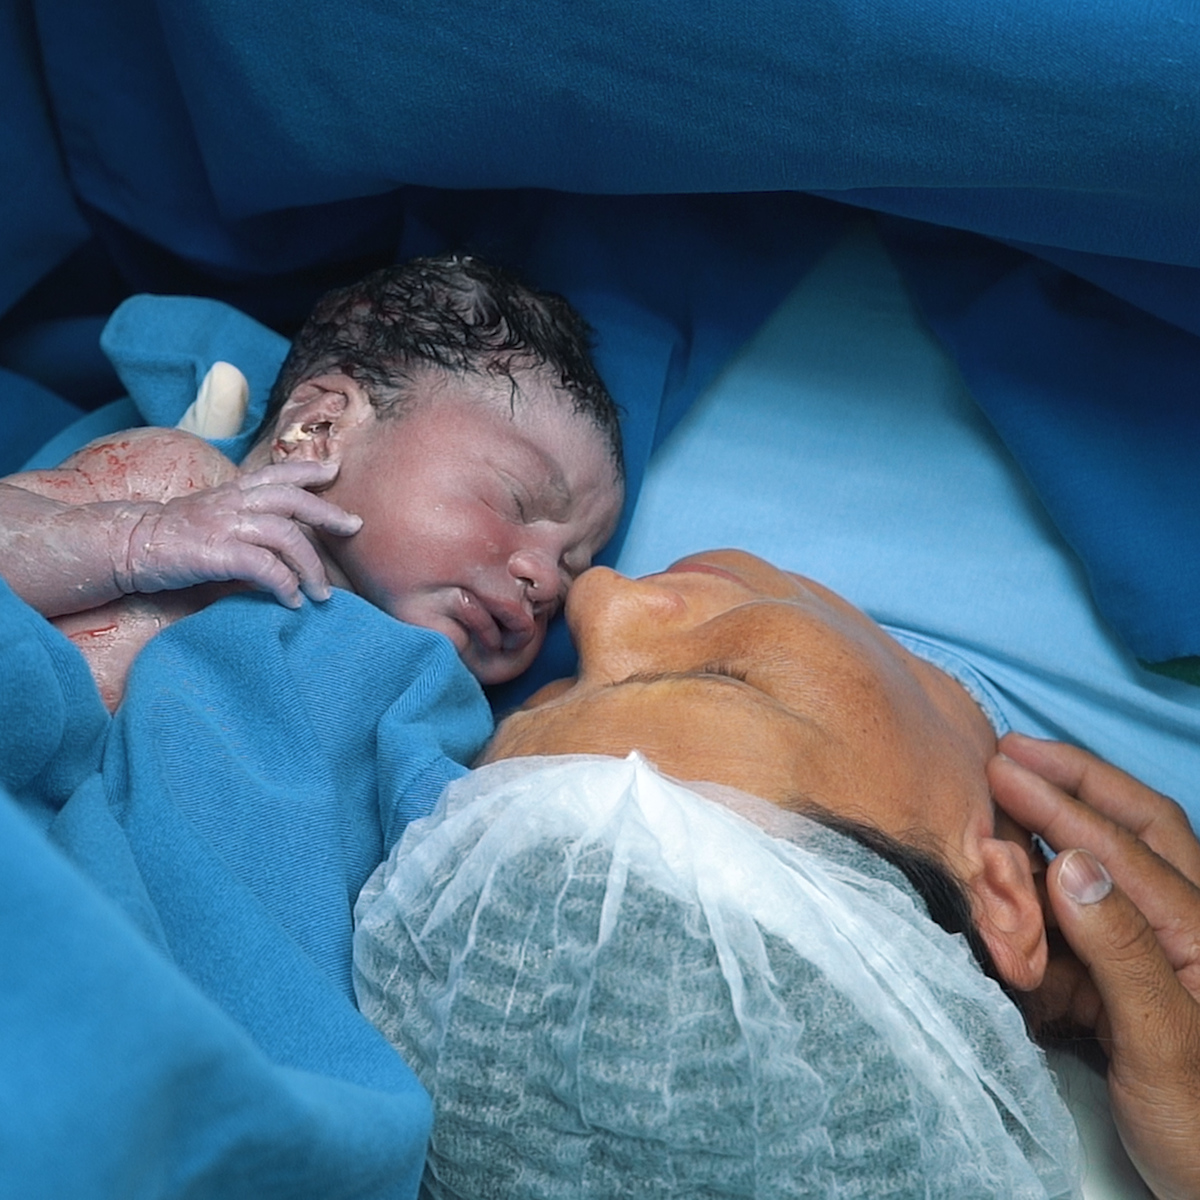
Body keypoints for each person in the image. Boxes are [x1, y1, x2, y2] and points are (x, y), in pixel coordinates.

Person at [444, 547, 1200, 1199]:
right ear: (1000, 897)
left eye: (553, 695)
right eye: (729, 681)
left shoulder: (479, 619)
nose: (597, 594)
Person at [0, 254, 625, 707]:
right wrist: (135, 541)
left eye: (571, 569)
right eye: (515, 500)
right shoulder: (174, 479)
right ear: (320, 427)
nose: (546, 582)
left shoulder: (422, 698)